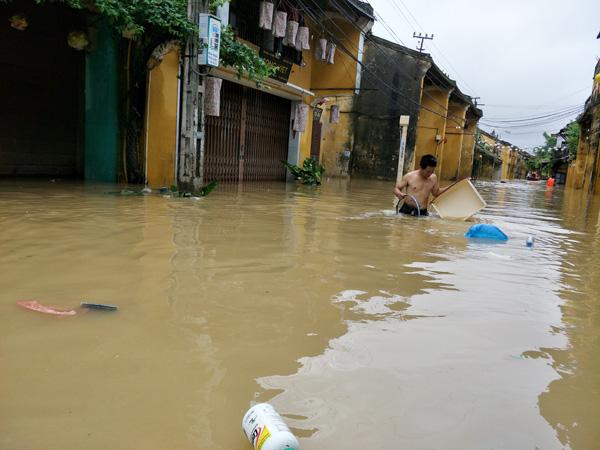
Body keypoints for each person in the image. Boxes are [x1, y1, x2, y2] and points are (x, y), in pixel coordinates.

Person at [393, 154, 459, 217]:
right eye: (428, 171)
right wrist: (399, 193)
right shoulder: (410, 176)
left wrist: (451, 186)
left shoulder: (433, 178)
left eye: (432, 171)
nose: (430, 174)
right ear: (421, 167)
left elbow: (436, 193)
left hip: (423, 212)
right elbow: (396, 188)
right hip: (407, 211)